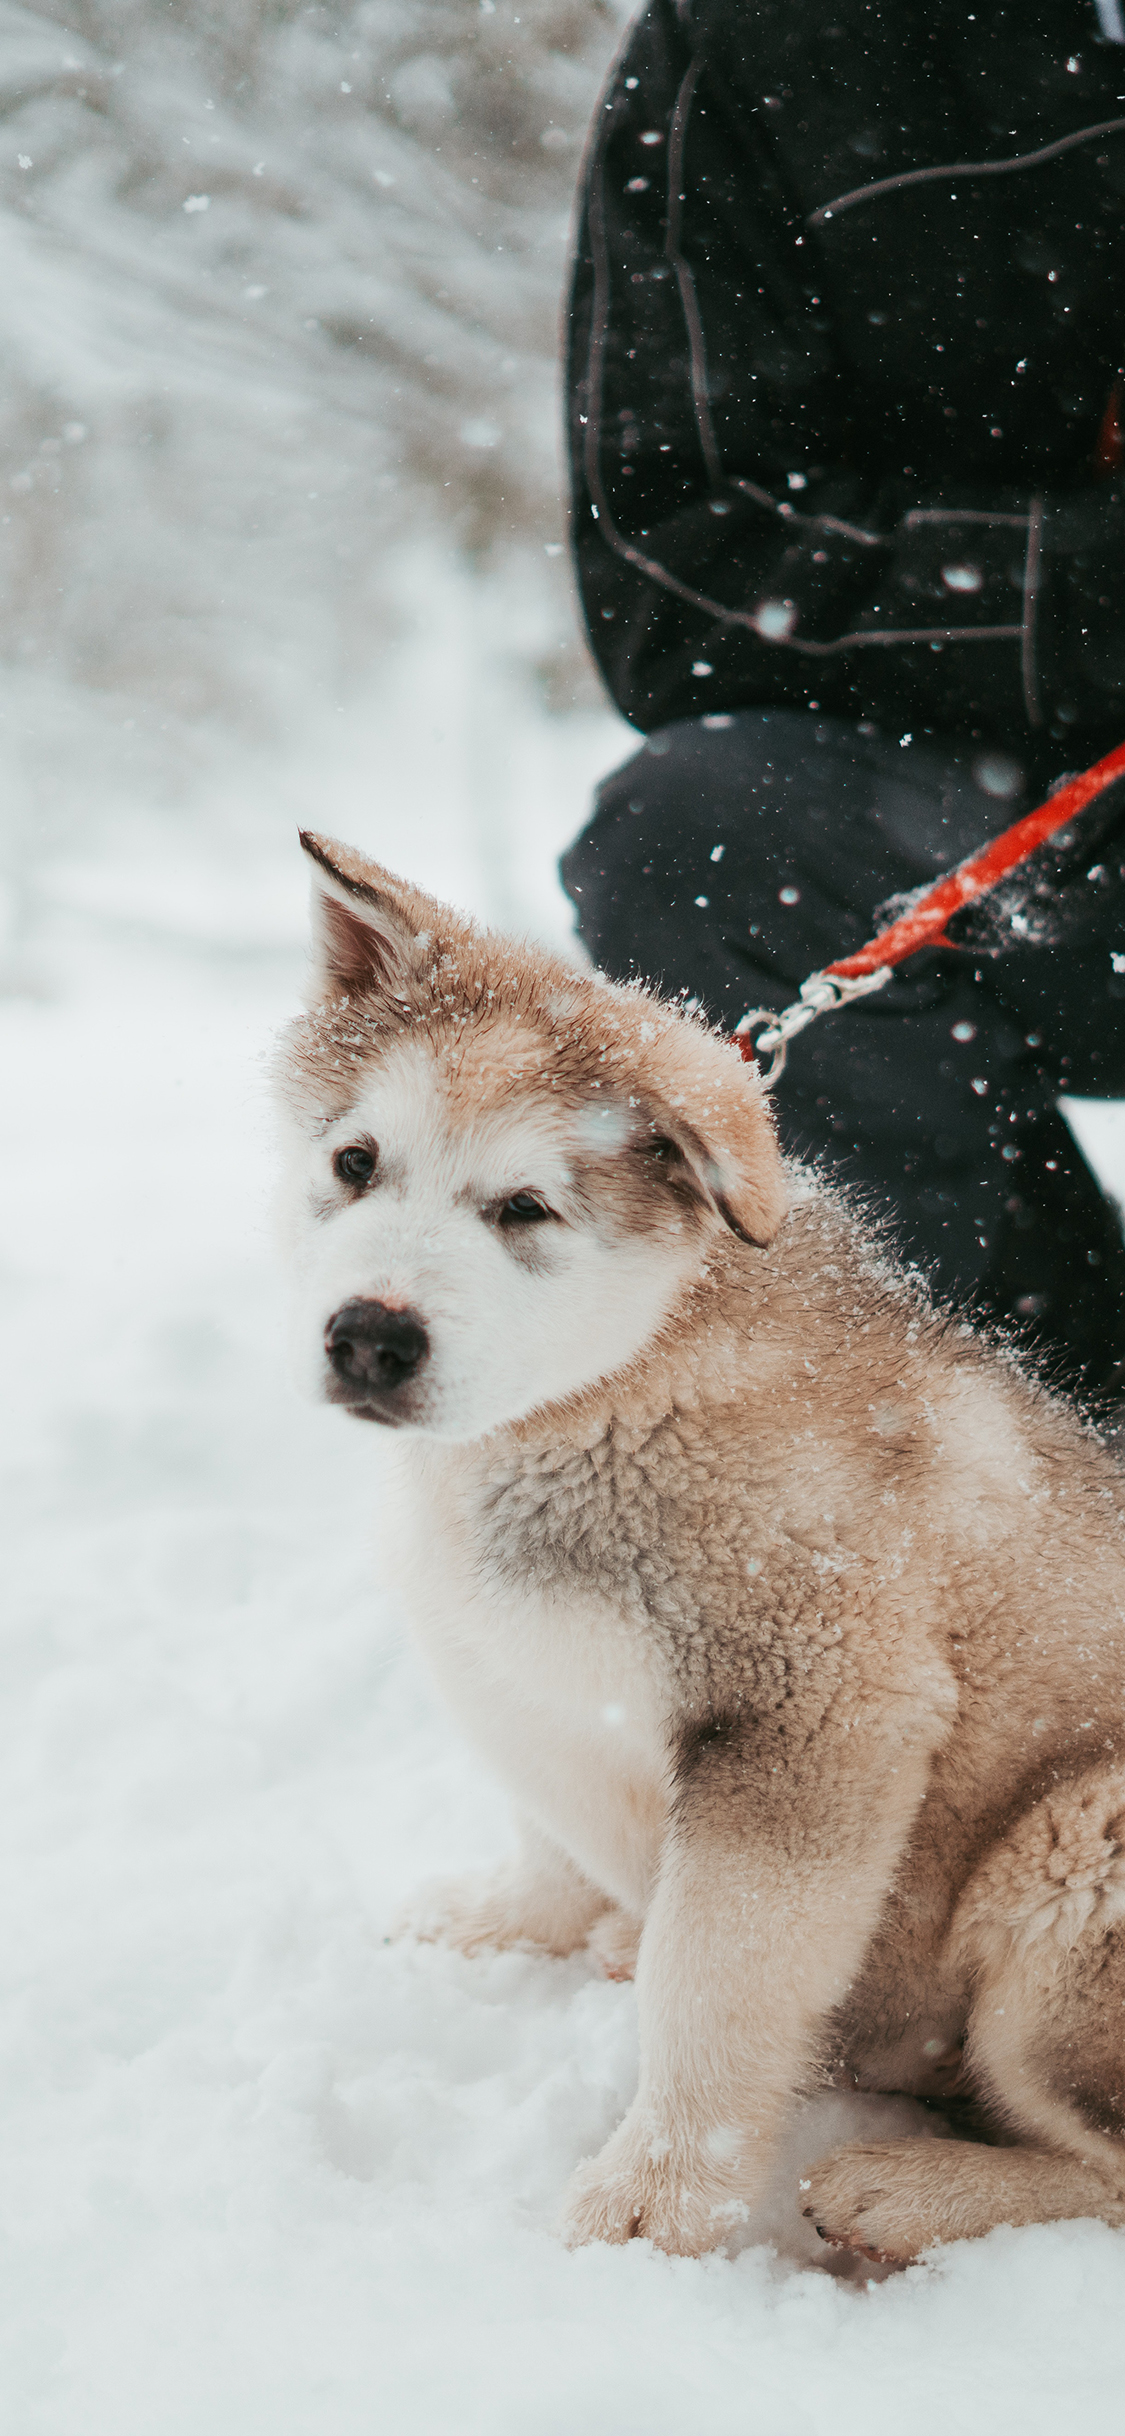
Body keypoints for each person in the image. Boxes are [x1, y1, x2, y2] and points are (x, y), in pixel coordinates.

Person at [560, 0, 1125, 1409]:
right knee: (707, 838)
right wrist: (1082, 592)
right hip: (1003, 842)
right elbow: (679, 565)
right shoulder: (757, 40)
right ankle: (1008, 1447)